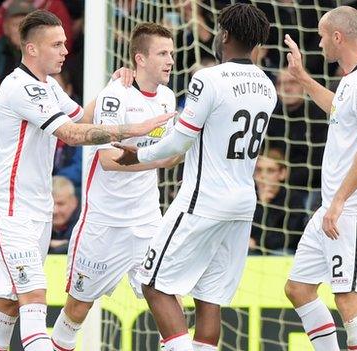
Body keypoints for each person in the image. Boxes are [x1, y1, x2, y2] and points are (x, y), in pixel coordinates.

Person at [0, 10, 172, 351]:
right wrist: (132, 128)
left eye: (65, 43)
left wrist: (116, 85)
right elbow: (71, 134)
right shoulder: (19, 88)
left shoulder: (49, 86)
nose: (66, 50)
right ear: (32, 49)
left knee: (6, 308)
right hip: (9, 213)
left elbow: (81, 116)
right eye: (56, 44)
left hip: (37, 210)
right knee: (34, 297)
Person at [115, 4, 274, 350]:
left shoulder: (209, 78)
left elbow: (181, 140)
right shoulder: (267, 86)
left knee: (152, 284)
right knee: (209, 295)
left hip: (204, 200)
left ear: (225, 35)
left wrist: (137, 155)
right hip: (243, 204)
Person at [51, 22, 180, 351]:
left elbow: (173, 154)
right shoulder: (115, 96)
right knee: (78, 308)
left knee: (170, 303)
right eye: (162, 53)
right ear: (140, 58)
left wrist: (175, 154)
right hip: (104, 225)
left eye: (172, 53)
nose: (170, 60)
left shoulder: (167, 98)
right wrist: (159, 159)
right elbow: (108, 160)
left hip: (148, 220)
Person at [282, 6, 357, 351]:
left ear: (338, 37)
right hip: (333, 207)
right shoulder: (351, 80)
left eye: (320, 35)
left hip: (353, 207)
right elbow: (336, 109)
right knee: (298, 288)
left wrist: (341, 199)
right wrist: (301, 77)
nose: (318, 43)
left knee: (348, 297)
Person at [250, 147, 307, 255]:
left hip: (281, 253)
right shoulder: (249, 197)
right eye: (259, 170)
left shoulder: (293, 200)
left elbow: (289, 239)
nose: (263, 176)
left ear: (282, 173)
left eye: (270, 171)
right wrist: (261, 205)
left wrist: (257, 242)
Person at [49, 175, 80, 254]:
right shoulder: (34, 222)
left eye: (61, 204)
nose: (54, 211)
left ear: (74, 202)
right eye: (49, 204)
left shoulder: (86, 224)